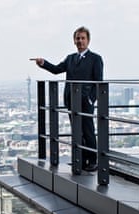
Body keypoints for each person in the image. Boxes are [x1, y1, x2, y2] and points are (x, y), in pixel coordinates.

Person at [32, 26, 103, 172]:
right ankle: (81, 160)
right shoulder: (71, 58)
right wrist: (43, 63)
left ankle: (93, 161)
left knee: (88, 130)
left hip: (85, 101)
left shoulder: (95, 59)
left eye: (83, 38)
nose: (80, 41)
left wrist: (91, 99)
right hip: (71, 100)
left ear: (88, 40)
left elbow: (99, 82)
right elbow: (57, 69)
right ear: (74, 41)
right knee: (76, 130)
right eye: (78, 38)